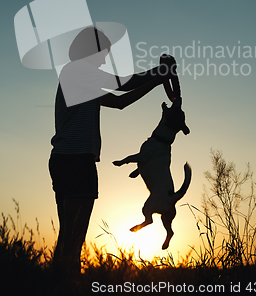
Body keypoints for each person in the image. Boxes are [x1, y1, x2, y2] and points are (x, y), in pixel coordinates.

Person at [48, 26, 176, 278]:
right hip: (75, 159)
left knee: (71, 234)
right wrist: (160, 71)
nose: (105, 58)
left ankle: (59, 283)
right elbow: (121, 83)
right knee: (72, 235)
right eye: (103, 53)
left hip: (71, 158)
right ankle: (62, 283)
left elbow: (119, 102)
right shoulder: (76, 71)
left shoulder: (81, 80)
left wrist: (156, 80)